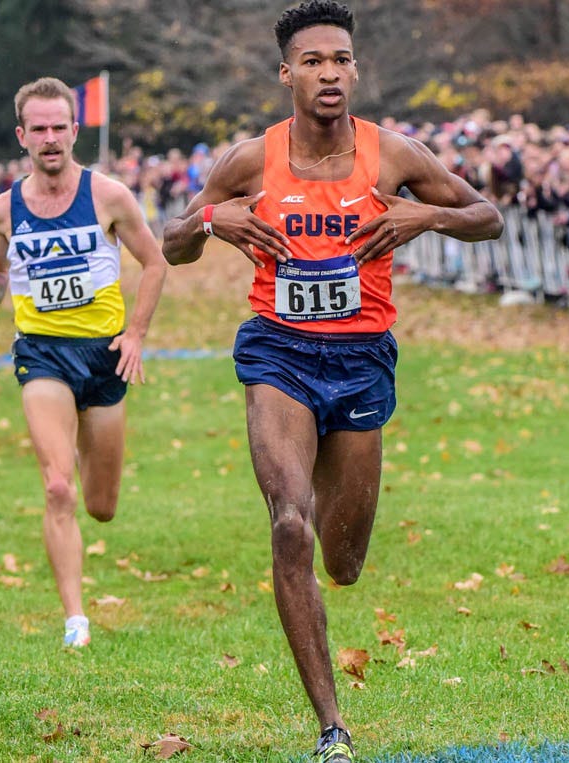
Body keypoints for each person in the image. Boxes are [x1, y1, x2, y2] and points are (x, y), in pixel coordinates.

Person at [160, 2, 502, 759]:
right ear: (287, 74)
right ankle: (332, 727)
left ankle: (331, 605)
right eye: (313, 60)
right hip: (277, 351)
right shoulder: (250, 159)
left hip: (361, 359)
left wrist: (424, 220)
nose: (329, 72)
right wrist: (218, 222)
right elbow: (174, 241)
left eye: (341, 59)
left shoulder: (395, 155)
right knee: (290, 522)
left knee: (343, 563)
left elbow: (489, 215)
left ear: (356, 70)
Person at [0, 77, 168, 648]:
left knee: (101, 506)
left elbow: (154, 264)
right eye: (40, 129)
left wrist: (135, 335)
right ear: (22, 135)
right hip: (42, 354)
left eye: (60, 127)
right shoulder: (4, 208)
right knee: (58, 487)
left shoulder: (108, 196)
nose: (51, 138)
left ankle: (83, 451)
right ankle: (75, 620)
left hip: (104, 356)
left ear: (75, 131)